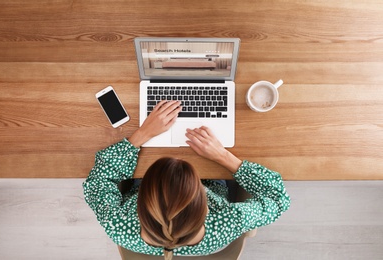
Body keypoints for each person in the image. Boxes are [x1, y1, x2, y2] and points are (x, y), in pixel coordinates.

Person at [83, 100, 291, 259]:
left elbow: (98, 179)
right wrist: (222, 156)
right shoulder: (228, 221)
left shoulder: (117, 224)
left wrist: (143, 133)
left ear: (140, 204)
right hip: (215, 182)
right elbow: (278, 198)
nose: (180, 157)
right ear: (205, 205)